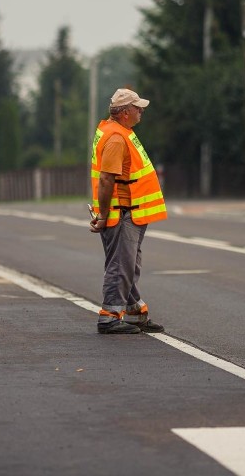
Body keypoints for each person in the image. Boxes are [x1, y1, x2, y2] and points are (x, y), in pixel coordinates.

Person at [89, 88, 168, 334]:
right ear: (124, 113)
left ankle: (133, 311)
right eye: (137, 107)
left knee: (129, 264)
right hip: (123, 212)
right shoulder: (116, 138)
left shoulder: (122, 132)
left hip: (131, 212)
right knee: (121, 265)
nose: (141, 110)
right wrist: (102, 216)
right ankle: (109, 316)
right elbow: (106, 179)